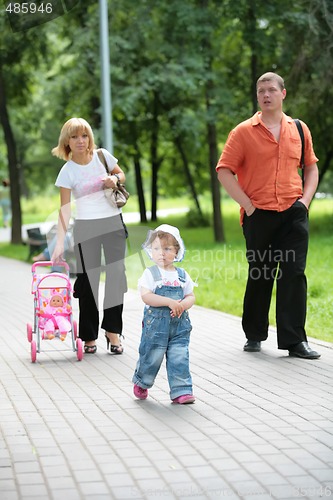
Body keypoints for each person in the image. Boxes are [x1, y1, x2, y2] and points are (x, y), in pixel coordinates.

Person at [216, 71, 320, 360]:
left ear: (283, 93)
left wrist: (305, 202)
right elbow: (224, 170)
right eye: (261, 90)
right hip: (259, 214)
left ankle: (295, 341)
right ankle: (254, 333)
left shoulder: (299, 129)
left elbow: (311, 167)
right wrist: (248, 207)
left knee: (293, 274)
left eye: (271, 89)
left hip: (293, 213)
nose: (266, 95)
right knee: (261, 274)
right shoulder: (242, 132)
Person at [51, 117, 128, 355]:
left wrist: (114, 179)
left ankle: (113, 331)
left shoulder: (102, 156)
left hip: (113, 223)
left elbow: (121, 174)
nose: (80, 141)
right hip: (86, 228)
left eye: (84, 136)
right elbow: (65, 209)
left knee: (116, 275)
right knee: (87, 283)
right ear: (67, 142)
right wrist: (59, 243)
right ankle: (89, 335)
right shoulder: (67, 171)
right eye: (74, 137)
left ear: (89, 138)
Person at [132, 224, 197, 404]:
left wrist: (183, 304)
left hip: (179, 327)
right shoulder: (150, 273)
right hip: (156, 327)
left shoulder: (182, 275)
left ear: (177, 251)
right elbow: (146, 297)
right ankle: (142, 381)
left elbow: (191, 295)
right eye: (156, 248)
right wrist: (169, 302)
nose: (161, 253)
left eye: (167, 249)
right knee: (152, 356)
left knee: (179, 356)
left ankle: (181, 390)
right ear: (150, 251)